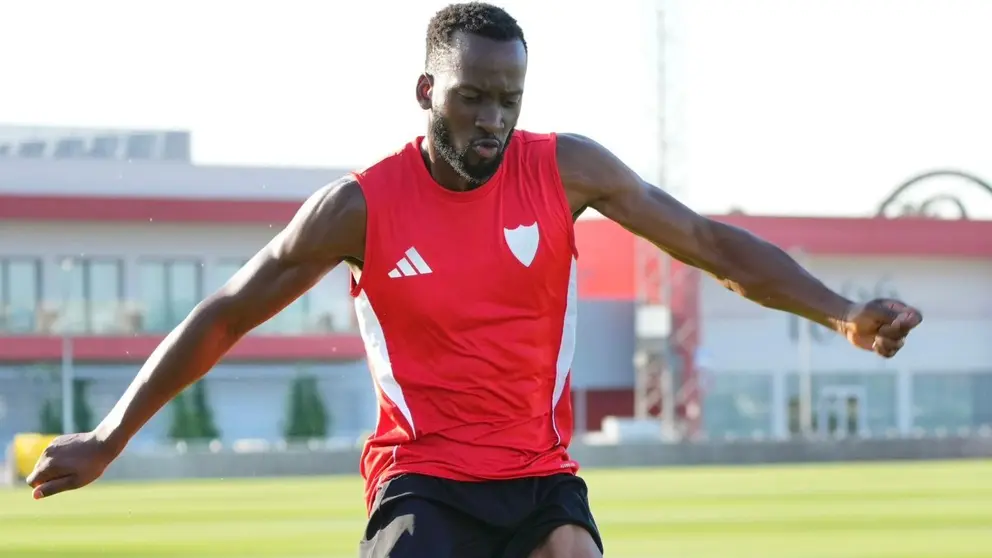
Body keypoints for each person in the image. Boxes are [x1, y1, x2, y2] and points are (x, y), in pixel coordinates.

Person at [26, 3, 923, 557]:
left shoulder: (568, 170)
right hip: (423, 479)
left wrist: (842, 312)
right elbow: (226, 314)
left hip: (540, 474)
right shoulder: (359, 209)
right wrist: (109, 437)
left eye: (509, 99)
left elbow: (706, 245)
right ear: (427, 91)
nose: (493, 118)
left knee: (574, 551)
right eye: (472, 98)